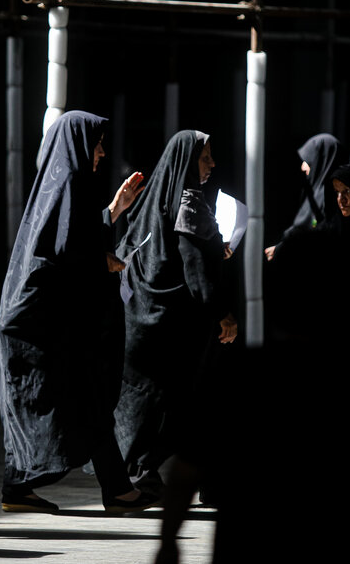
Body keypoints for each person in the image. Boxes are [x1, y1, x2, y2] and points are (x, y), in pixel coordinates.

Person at [0, 110, 155, 514]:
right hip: (38, 324)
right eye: (98, 143)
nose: (101, 152)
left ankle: (25, 488)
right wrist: (103, 262)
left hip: (48, 320)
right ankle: (112, 490)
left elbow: (72, 238)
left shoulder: (64, 184)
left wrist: (114, 210)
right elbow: (66, 253)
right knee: (71, 399)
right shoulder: (67, 182)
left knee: (77, 400)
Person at [112, 130, 236, 496]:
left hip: (140, 316)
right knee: (184, 401)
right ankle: (162, 474)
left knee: (148, 399)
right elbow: (194, 268)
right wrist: (222, 314)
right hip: (169, 327)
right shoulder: (189, 203)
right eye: (205, 157)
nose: (212, 164)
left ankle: (139, 471)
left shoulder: (157, 199)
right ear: (186, 161)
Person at [264, 132, 340, 262]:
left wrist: (283, 248)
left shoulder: (334, 199)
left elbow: (314, 237)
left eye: (309, 161)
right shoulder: (314, 192)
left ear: (322, 159)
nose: (303, 167)